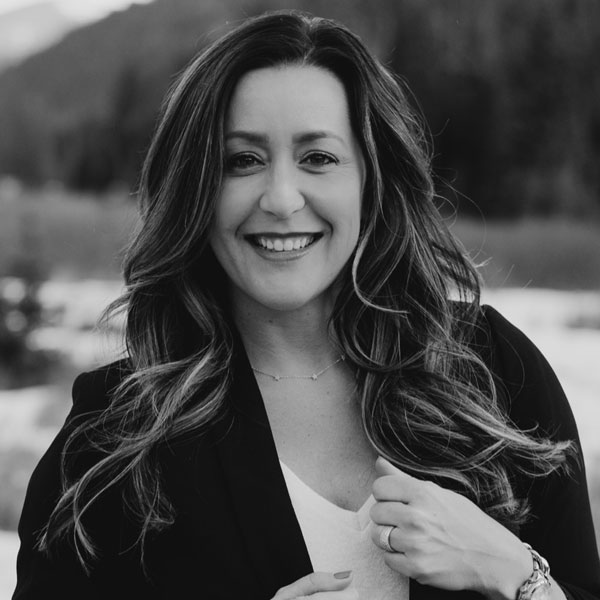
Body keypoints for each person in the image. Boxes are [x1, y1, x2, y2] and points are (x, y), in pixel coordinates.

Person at [13, 10, 600, 600]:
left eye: (318, 157)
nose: (281, 198)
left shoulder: (492, 373)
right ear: (195, 189)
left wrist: (513, 572)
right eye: (243, 160)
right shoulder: (113, 441)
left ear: (371, 182)